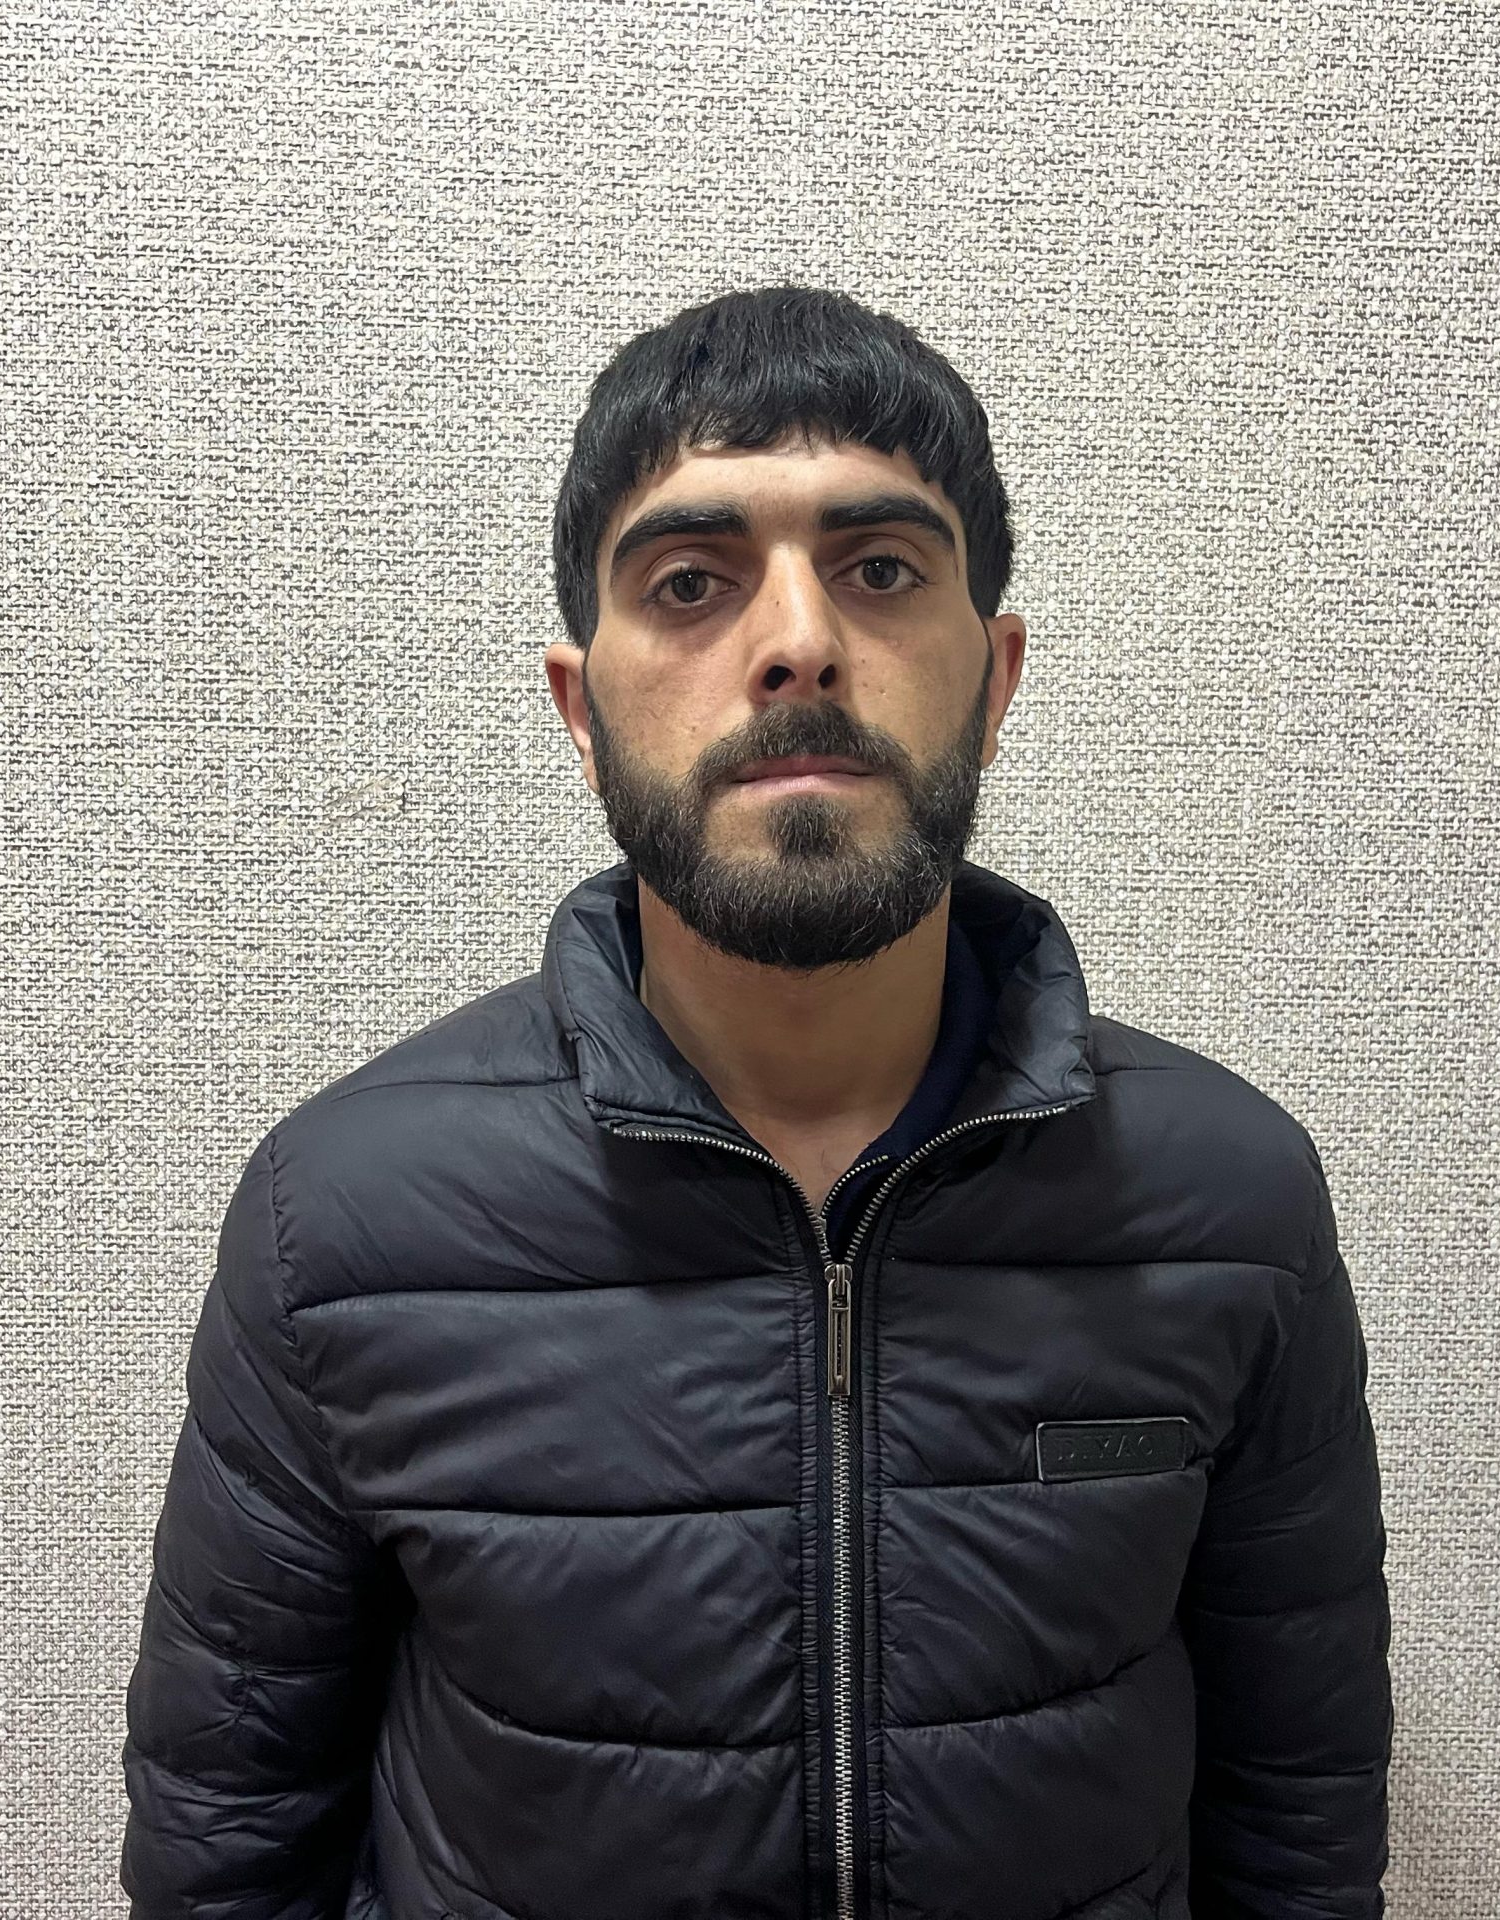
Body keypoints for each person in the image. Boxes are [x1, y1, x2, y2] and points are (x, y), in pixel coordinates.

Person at [120, 285, 1393, 1920]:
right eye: (691, 582)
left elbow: (1300, 1817)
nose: (798, 641)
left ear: (996, 681)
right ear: (583, 712)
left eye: (882, 569)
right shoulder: (339, 1222)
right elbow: (228, 1839)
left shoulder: (1231, 1202)